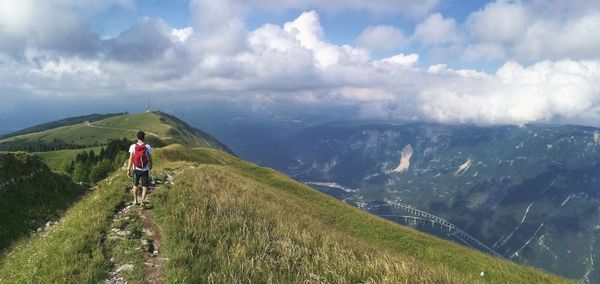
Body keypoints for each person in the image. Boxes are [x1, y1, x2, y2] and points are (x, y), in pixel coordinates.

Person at [127, 131, 152, 206]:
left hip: (136, 169)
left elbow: (131, 158)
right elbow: (149, 158)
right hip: (145, 169)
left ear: (137, 137)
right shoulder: (147, 146)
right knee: (145, 186)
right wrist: (151, 165)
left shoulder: (133, 146)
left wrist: (128, 169)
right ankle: (142, 201)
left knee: (135, 185)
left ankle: (135, 201)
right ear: (144, 137)